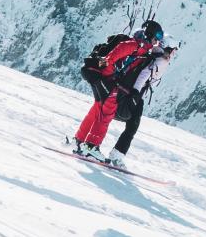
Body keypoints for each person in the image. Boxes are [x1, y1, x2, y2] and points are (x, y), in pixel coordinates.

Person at [71, 18, 173, 160]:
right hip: (108, 79)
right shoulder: (133, 45)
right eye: (157, 37)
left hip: (108, 79)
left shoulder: (142, 49)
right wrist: (107, 74)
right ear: (151, 34)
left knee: (97, 109)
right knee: (106, 112)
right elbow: (109, 59)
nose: (157, 42)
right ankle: (91, 146)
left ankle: (79, 141)